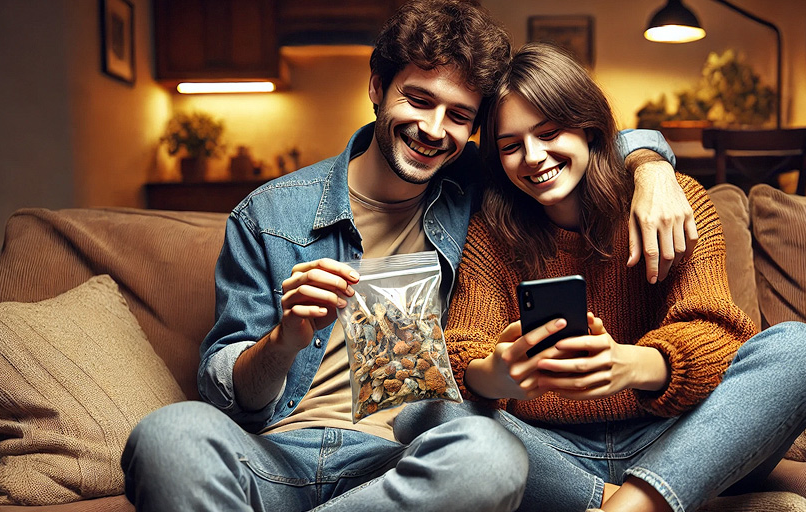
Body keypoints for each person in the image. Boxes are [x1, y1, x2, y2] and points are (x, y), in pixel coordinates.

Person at [121, 2, 697, 511]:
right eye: (418, 100)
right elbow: (225, 391)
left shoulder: (482, 187)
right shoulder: (269, 215)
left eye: (459, 116)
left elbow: (580, 140)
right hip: (277, 454)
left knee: (491, 455)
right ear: (377, 86)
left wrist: (651, 167)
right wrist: (286, 337)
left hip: (409, 459)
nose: (433, 130)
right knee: (168, 435)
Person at [397, 42, 806, 512]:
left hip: (679, 439)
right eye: (511, 146)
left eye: (550, 133)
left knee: (801, 350)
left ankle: (641, 501)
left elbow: (719, 339)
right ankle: (647, 501)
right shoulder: (490, 233)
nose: (533, 156)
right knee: (420, 415)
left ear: (587, 127)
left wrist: (629, 365)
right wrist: (496, 374)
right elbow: (462, 348)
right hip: (554, 451)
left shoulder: (671, 203)